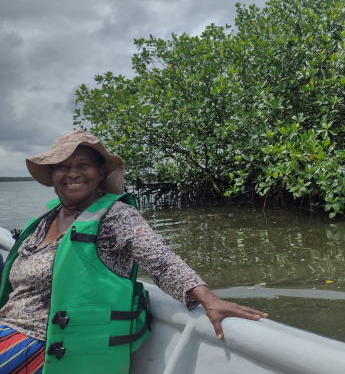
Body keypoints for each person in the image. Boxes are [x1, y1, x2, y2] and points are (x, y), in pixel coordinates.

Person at [0, 130, 267, 374]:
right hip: (8, 325)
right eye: (63, 166)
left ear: (100, 172)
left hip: (43, 342)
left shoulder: (116, 216)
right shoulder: (49, 215)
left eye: (83, 165)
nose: (73, 173)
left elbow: (161, 260)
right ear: (53, 175)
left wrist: (210, 299)